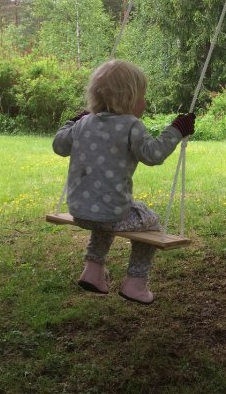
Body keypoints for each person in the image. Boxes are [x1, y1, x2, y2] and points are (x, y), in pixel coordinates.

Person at [52, 59, 195, 304]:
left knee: (106, 216)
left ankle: (93, 270)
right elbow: (153, 154)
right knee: (150, 221)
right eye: (143, 95)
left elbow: (59, 145)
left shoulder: (84, 123)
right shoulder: (131, 125)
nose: (145, 101)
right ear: (129, 97)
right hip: (111, 214)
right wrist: (176, 130)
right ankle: (135, 284)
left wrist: (73, 121)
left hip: (79, 211)